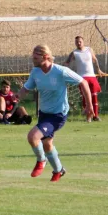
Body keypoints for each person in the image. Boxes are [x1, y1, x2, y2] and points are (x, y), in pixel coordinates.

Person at [16, 45, 93, 182]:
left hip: (57, 115)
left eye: (35, 57)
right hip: (44, 113)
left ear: (45, 57)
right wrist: (17, 97)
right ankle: (59, 170)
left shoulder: (60, 71)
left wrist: (89, 105)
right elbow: (26, 89)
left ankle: (41, 160)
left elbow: (84, 83)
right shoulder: (36, 72)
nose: (33, 60)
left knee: (33, 137)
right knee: (47, 144)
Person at [63, 36, 105, 122]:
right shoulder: (74, 53)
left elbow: (95, 59)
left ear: (83, 42)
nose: (78, 43)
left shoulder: (89, 49)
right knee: (85, 97)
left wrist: (98, 69)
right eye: (77, 42)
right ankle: (88, 117)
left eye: (80, 41)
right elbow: (67, 63)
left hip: (92, 76)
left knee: (94, 96)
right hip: (82, 78)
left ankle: (95, 116)